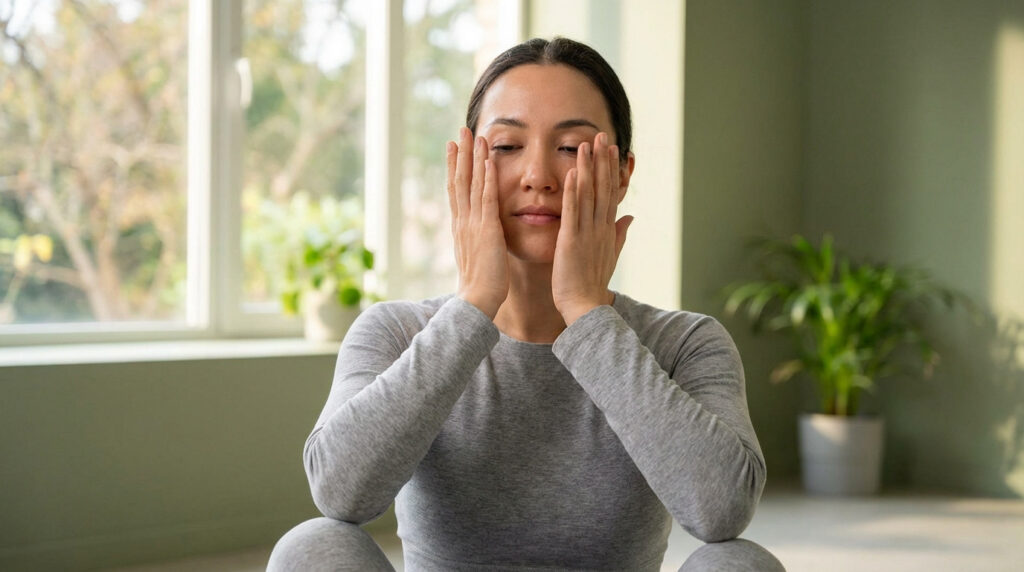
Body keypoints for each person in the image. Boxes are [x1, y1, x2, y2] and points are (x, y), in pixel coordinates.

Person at [268, 37, 785, 572]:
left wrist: (585, 311)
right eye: (507, 147)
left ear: (623, 173)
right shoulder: (395, 331)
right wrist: (474, 304)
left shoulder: (685, 344)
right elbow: (339, 495)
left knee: (740, 564)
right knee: (312, 548)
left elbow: (721, 514)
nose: (537, 176)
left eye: (569, 149)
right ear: (468, 166)